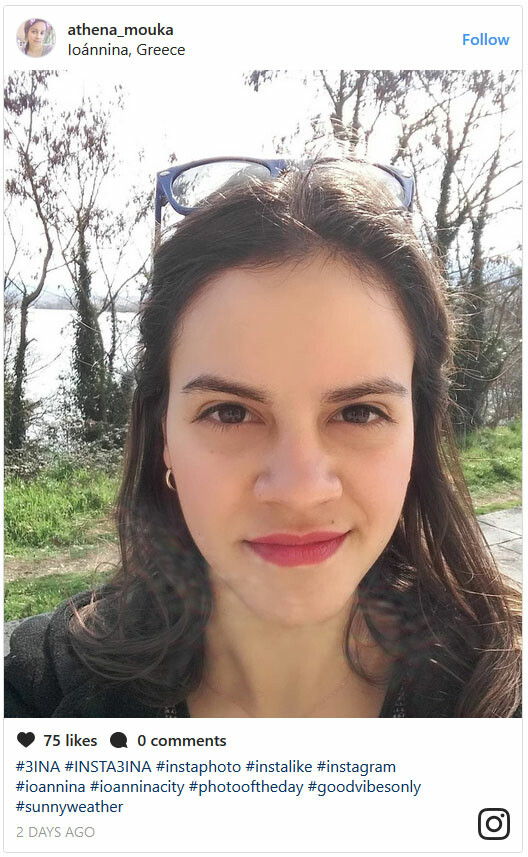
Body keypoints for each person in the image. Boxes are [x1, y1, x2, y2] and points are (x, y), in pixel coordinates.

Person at [5, 158, 521, 718]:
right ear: (164, 437)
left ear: (417, 432)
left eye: (358, 413)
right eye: (230, 413)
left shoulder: (500, 698)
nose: (300, 491)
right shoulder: (44, 697)